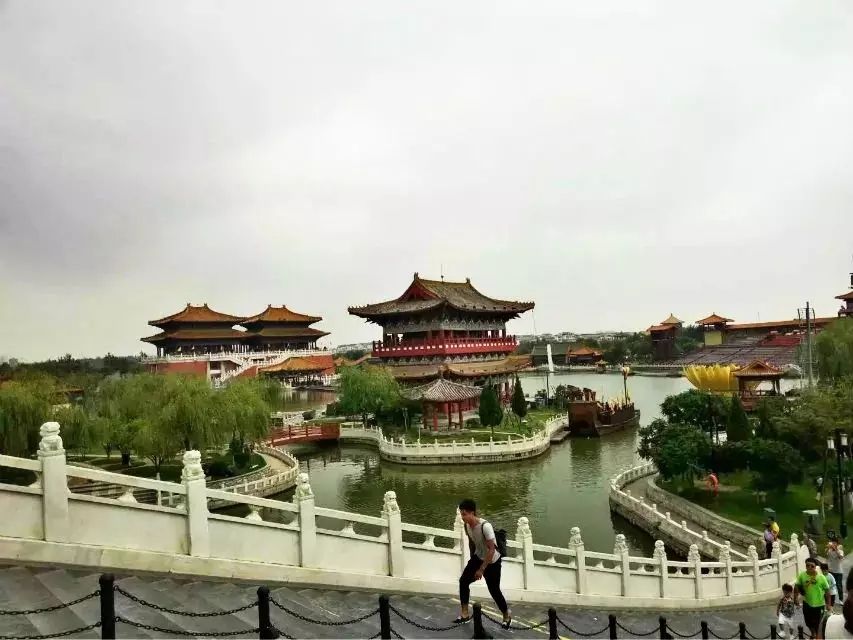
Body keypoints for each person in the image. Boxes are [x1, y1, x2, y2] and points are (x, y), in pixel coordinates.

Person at [455, 499, 511, 629]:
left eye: (464, 514)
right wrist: (472, 561)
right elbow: (472, 542)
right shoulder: (467, 526)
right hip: (478, 557)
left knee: (494, 590)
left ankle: (506, 615)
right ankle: (464, 614)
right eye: (461, 514)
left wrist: (481, 569)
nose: (462, 517)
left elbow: (492, 550)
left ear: (472, 512)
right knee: (463, 581)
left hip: (492, 561)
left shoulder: (485, 526)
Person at [794, 557, 832, 639]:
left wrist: (828, 604)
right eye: (807, 565)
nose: (809, 568)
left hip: (819, 605)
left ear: (815, 567)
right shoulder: (802, 575)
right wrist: (795, 598)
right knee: (808, 622)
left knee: (818, 624)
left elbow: (827, 591)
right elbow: (797, 586)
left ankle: (817, 636)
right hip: (807, 603)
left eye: (812, 566)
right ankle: (813, 633)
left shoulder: (821, 577)